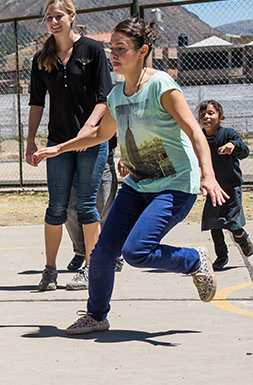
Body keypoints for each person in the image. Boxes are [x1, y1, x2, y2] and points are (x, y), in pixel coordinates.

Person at [33, 17, 228, 335]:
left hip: (175, 186)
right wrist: (59, 149)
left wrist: (208, 174)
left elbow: (194, 131)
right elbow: (100, 134)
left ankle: (193, 259)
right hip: (138, 186)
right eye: (111, 48)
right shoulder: (116, 95)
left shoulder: (161, 86)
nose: (113, 54)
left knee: (136, 251)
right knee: (102, 253)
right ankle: (96, 315)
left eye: (121, 49)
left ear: (142, 51)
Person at [25, 0, 113, 292]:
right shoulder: (41, 58)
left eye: (58, 15)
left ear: (72, 17)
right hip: (57, 141)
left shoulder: (92, 50)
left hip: (91, 141)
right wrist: (30, 141)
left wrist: (90, 129)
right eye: (49, 17)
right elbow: (37, 103)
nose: (53, 21)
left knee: (88, 205)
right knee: (56, 207)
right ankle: (49, 270)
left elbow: (104, 98)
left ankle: (91, 268)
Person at [196, 100, 253, 270]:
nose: (206, 116)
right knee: (214, 223)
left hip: (231, 186)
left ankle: (242, 238)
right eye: (202, 115)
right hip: (213, 188)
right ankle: (221, 257)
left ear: (221, 118)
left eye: (211, 113)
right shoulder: (200, 138)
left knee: (232, 224)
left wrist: (233, 145)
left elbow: (244, 150)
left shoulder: (227, 134)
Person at [64, 139, 121, 272]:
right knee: (70, 209)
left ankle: (112, 252)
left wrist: (124, 156)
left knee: (105, 208)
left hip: (102, 155)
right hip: (72, 155)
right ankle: (82, 251)